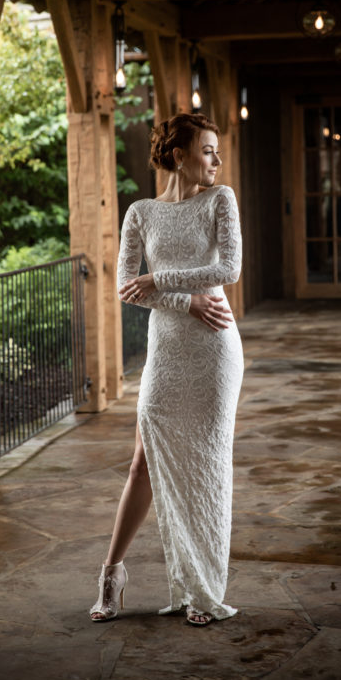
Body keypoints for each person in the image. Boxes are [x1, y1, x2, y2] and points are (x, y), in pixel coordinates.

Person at [90, 112, 244, 627]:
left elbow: (228, 270)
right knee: (141, 464)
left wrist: (162, 279)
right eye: (207, 150)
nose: (216, 160)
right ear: (179, 155)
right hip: (169, 350)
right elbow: (127, 289)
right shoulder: (141, 213)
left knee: (210, 463)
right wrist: (183, 300)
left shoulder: (221, 200)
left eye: (217, 151)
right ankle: (111, 575)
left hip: (215, 350)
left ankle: (204, 589)